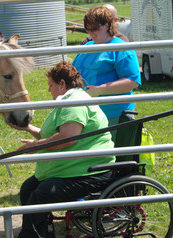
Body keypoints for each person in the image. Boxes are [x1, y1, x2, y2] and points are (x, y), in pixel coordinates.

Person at [11, 61, 116, 238]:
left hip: (92, 171)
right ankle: (40, 231)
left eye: (51, 85)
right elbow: (55, 135)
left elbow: (68, 137)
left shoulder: (74, 102)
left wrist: (36, 146)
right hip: (77, 169)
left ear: (62, 84)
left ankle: (33, 235)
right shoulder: (70, 101)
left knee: (42, 193)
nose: (49, 90)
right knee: (28, 188)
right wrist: (28, 129)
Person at [73, 6, 141, 141]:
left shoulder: (121, 48)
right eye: (88, 29)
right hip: (88, 115)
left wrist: (99, 90)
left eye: (95, 28)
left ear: (108, 25)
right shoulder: (87, 47)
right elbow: (74, 72)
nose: (91, 33)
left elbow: (132, 82)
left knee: (112, 158)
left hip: (114, 115)